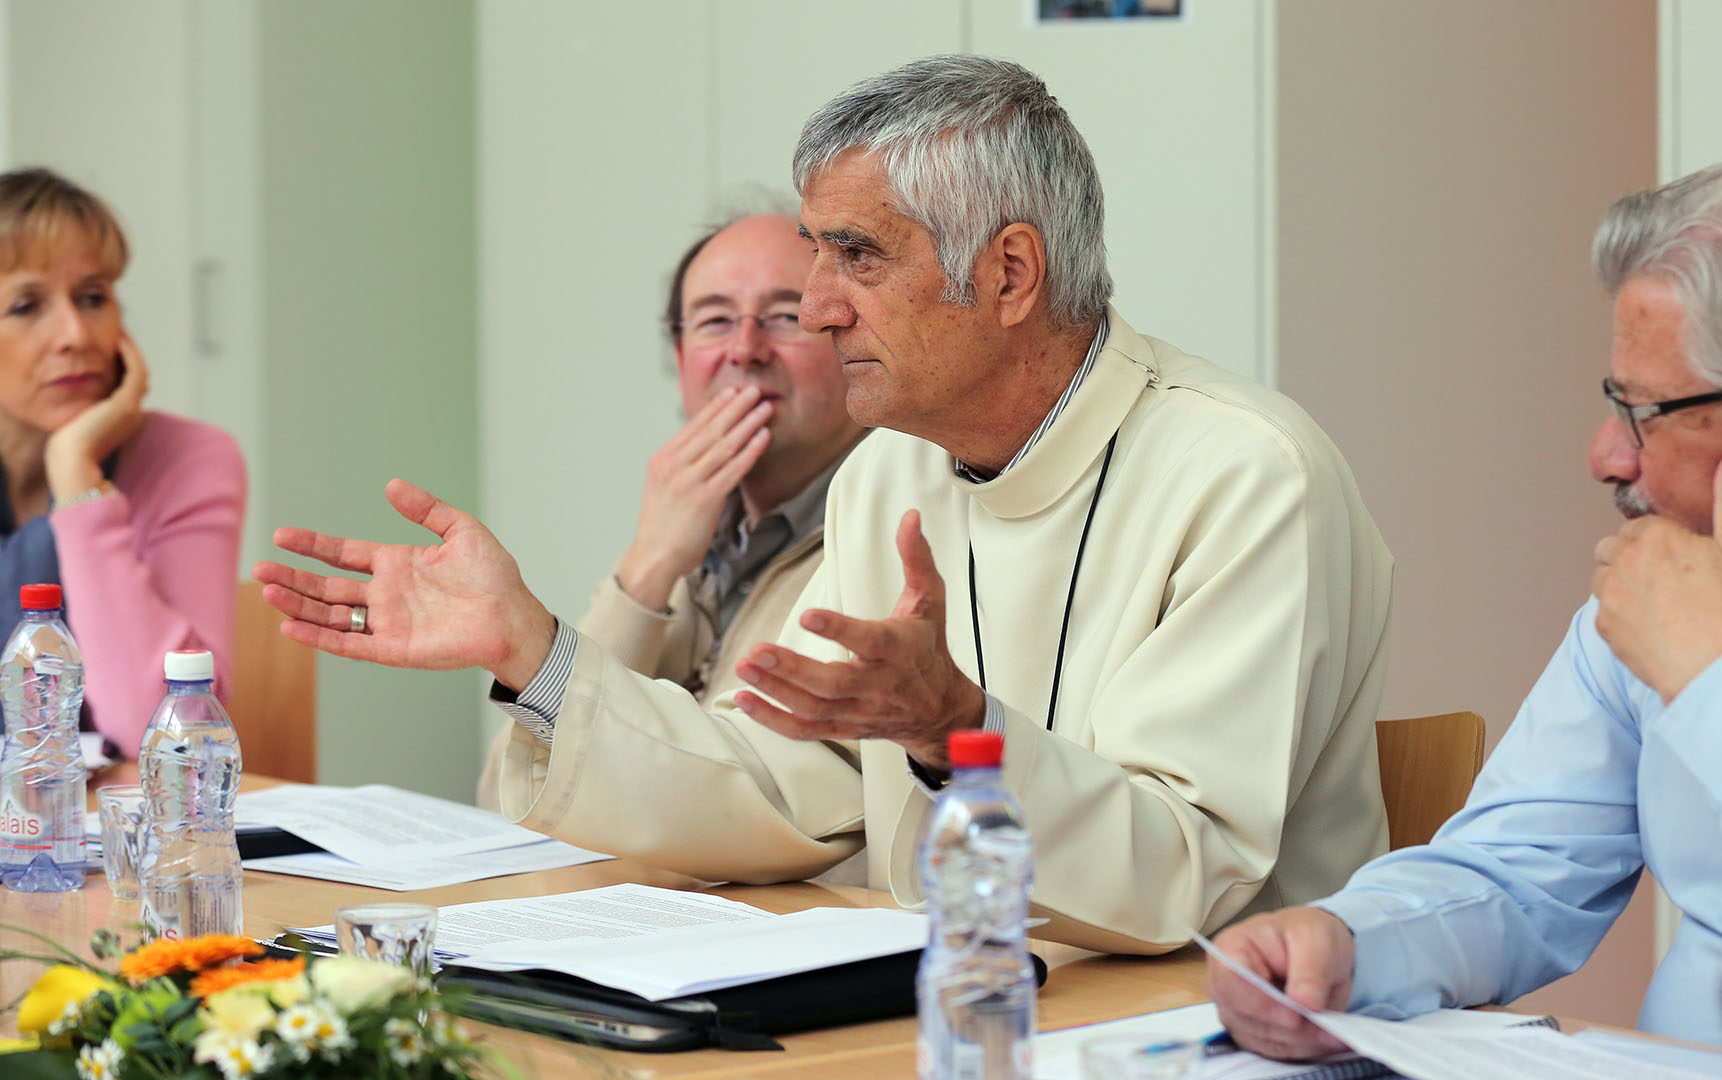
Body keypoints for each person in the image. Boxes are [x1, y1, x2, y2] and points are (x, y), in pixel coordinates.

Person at [255, 55, 1393, 954]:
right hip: (955, 1002)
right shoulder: (898, 464)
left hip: (1199, 1031)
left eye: (854, 256)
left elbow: (1185, 878)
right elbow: (795, 785)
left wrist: (953, 729)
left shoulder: (1246, 473)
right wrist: (537, 651)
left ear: (1008, 274)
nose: (817, 306)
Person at [1206, 138, 1722, 1075]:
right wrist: (1347, 944)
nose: (1606, 456)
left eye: (1647, 413)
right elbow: (1515, 872)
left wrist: (1715, 687)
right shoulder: (1656, 598)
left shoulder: (1681, 623)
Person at [475, 210, 866, 809]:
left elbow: (764, 808)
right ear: (680, 357)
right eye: (715, 321)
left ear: (849, 337)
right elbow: (512, 792)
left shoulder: (887, 527)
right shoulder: (689, 531)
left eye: (785, 316)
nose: (744, 349)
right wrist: (648, 569)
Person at [0, 168, 246, 757]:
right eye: (27, 305)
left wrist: (77, 479)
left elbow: (163, 732)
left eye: (93, 297)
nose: (74, 334)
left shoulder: (190, 460)